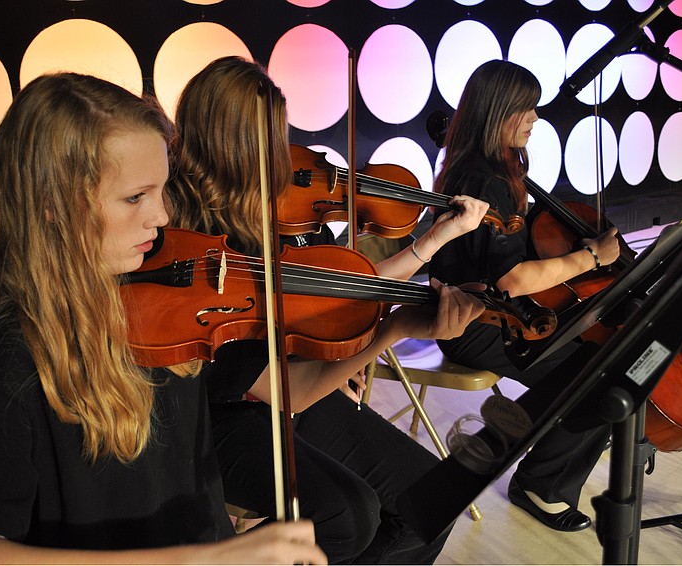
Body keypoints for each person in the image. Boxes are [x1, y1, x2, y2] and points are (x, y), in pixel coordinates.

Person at [0, 71, 330, 564]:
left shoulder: (166, 307)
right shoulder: (13, 354)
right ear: (54, 203)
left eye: (161, 191)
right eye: (135, 197)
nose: (161, 216)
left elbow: (190, 484)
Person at [169, 56, 490, 563]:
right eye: (271, 139)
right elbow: (287, 391)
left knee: (434, 498)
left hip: (292, 387)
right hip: (221, 414)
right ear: (229, 147)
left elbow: (347, 295)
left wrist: (434, 239)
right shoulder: (197, 250)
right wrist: (387, 332)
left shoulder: (283, 218)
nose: (286, 157)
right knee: (351, 513)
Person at [429, 59, 621, 532]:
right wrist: (590, 259)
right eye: (527, 109)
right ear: (499, 113)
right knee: (602, 373)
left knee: (606, 357)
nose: (536, 119)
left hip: (494, 316)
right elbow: (510, 279)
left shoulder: (486, 171)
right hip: (476, 325)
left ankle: (571, 441)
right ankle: (539, 484)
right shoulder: (486, 181)